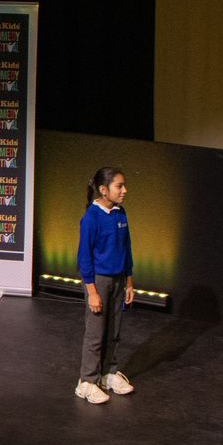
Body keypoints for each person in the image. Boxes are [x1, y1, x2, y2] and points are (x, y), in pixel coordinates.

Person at [75, 168, 136, 404]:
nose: (124, 190)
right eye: (119, 186)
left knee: (114, 330)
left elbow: (126, 248)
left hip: (119, 280)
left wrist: (129, 281)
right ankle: (87, 381)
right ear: (103, 190)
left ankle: (108, 374)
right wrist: (92, 291)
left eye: (123, 185)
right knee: (95, 333)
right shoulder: (91, 217)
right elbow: (84, 257)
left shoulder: (121, 214)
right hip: (98, 281)